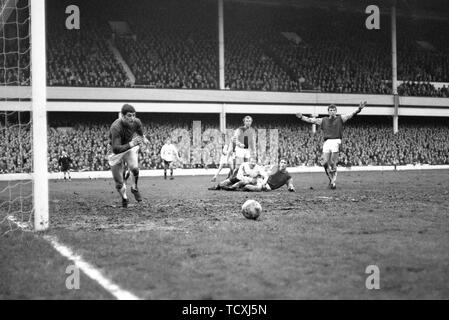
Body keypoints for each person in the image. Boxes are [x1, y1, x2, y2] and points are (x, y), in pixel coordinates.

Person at [295, 101, 366, 189]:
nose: (332, 111)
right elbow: (311, 120)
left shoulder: (341, 118)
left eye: (333, 110)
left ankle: (333, 182)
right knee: (325, 163)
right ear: (328, 111)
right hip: (327, 142)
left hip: (336, 141)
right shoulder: (323, 120)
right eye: (330, 110)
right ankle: (331, 180)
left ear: (336, 111)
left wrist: (359, 109)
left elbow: (351, 114)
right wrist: (301, 117)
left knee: (333, 163)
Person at [107, 104, 149, 207]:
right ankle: (124, 198)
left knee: (135, 168)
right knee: (119, 183)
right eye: (129, 115)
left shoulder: (136, 122)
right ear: (123, 116)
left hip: (128, 147)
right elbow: (116, 149)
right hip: (115, 152)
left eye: (134, 115)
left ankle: (134, 187)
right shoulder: (116, 127)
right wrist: (132, 144)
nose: (132, 118)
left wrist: (143, 138)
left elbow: (139, 131)